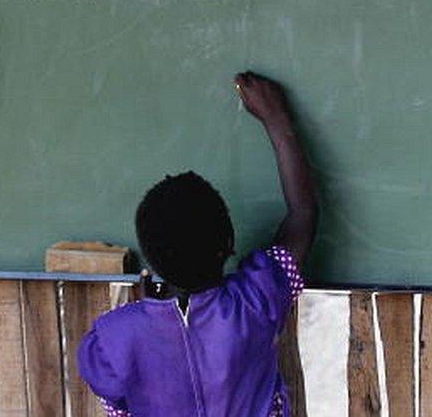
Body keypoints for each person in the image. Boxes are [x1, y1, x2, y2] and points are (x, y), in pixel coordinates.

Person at [77, 71, 318, 417]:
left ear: (150, 257)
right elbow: (303, 215)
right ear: (230, 243)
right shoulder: (256, 301)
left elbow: (120, 409)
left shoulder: (113, 340)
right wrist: (277, 120)